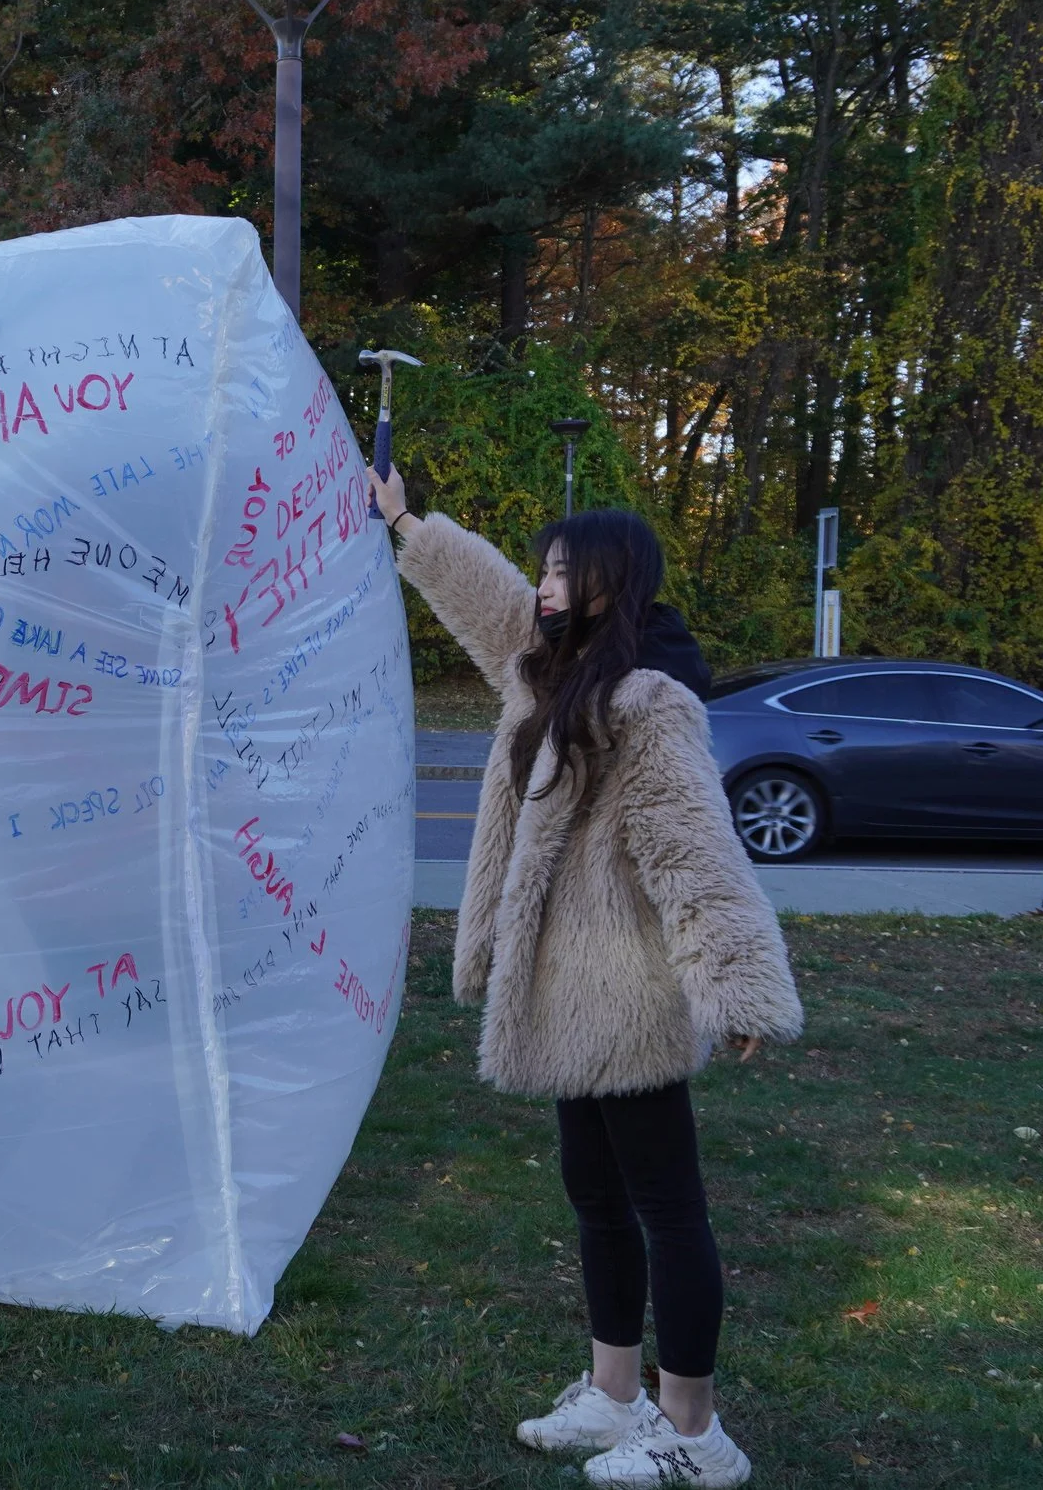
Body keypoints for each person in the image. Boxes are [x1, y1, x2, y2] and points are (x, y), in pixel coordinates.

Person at [368, 466, 803, 1490]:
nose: (545, 583)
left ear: (613, 581)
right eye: (546, 567)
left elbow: (692, 848)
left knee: (668, 1208)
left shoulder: (647, 700)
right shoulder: (548, 672)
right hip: (561, 987)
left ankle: (695, 1433)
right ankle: (614, 1395)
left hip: (629, 989)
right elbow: (487, 598)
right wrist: (405, 521)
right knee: (597, 1198)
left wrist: (736, 981)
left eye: (564, 570)